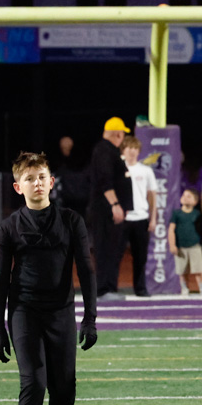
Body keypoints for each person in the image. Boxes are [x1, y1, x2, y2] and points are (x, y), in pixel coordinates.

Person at [0, 152, 98, 405]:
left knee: (64, 387)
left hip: (61, 312)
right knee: (33, 383)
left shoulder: (70, 221)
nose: (37, 183)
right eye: (29, 178)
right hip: (24, 313)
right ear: (17, 186)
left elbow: (87, 270)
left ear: (51, 182)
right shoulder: (9, 227)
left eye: (42, 177)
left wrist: (90, 318)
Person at [88, 117, 134, 298]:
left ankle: (110, 287)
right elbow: (104, 181)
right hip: (105, 210)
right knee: (104, 247)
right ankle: (103, 289)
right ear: (118, 133)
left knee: (112, 248)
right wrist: (115, 204)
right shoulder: (104, 151)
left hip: (111, 210)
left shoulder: (109, 150)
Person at [119, 136, 158, 297]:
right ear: (123, 150)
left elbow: (152, 195)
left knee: (140, 256)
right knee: (116, 255)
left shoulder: (146, 170)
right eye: (129, 148)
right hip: (122, 218)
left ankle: (140, 288)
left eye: (135, 149)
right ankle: (110, 287)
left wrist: (153, 218)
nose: (132, 152)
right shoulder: (118, 168)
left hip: (141, 217)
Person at [170, 188, 202, 295]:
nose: (185, 198)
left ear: (195, 202)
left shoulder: (197, 214)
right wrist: (172, 245)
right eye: (184, 195)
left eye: (189, 196)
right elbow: (171, 229)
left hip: (194, 246)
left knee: (199, 269)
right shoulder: (176, 214)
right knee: (182, 270)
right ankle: (184, 288)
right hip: (181, 247)